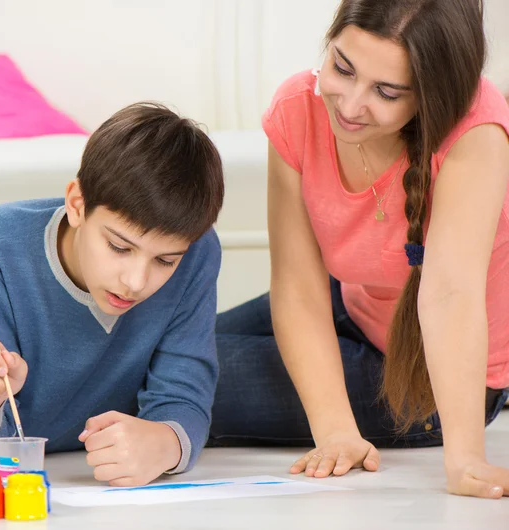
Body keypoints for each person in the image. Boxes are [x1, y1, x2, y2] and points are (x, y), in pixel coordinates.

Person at [210, 0, 509, 499]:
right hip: (354, 300)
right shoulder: (297, 107)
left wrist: (465, 460)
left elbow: (450, 296)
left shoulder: (474, 128)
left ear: (432, 96)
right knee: (165, 342)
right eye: (342, 68)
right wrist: (334, 428)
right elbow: (298, 287)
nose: (348, 107)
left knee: (164, 372)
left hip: (435, 375)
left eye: (386, 92)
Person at [0, 102, 224, 487]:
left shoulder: (196, 249)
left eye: (165, 260)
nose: (137, 282)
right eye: (119, 248)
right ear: (77, 204)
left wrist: (166, 443)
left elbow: (185, 389)